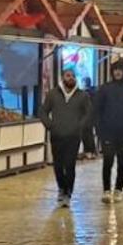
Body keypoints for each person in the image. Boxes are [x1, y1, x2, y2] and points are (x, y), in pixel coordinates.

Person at [41, 68, 92, 208]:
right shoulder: (53, 94)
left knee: (70, 165)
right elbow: (43, 111)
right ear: (62, 77)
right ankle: (61, 188)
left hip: (73, 136)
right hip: (57, 135)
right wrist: (50, 125)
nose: (71, 78)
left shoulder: (82, 96)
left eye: (73, 76)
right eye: (68, 75)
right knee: (58, 165)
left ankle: (68, 192)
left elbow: (88, 113)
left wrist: (79, 126)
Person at [93, 60, 123, 204]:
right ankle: (106, 190)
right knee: (107, 160)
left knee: (122, 162)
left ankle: (118, 189)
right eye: (115, 70)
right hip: (107, 132)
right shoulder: (105, 89)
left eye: (120, 70)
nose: (117, 72)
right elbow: (97, 110)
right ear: (112, 72)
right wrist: (99, 130)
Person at [79, 77, 98, 159]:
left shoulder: (85, 93)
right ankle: (92, 151)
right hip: (92, 116)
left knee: (86, 134)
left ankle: (88, 151)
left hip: (86, 116)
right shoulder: (94, 91)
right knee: (89, 134)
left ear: (84, 83)